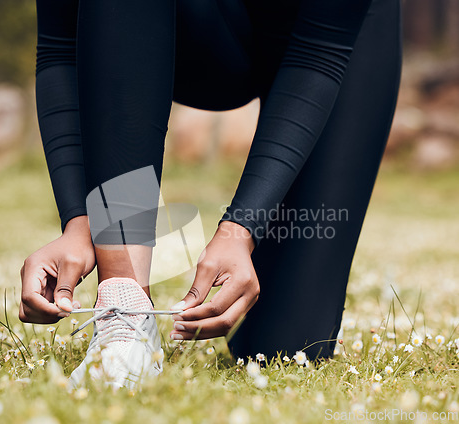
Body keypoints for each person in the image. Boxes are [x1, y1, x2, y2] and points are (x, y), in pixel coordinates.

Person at [20, 0, 402, 388]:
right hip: (169, 23)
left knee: (285, 347)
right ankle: (126, 306)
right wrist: (80, 220)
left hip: (329, 42)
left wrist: (243, 227)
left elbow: (319, 52)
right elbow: (61, 46)